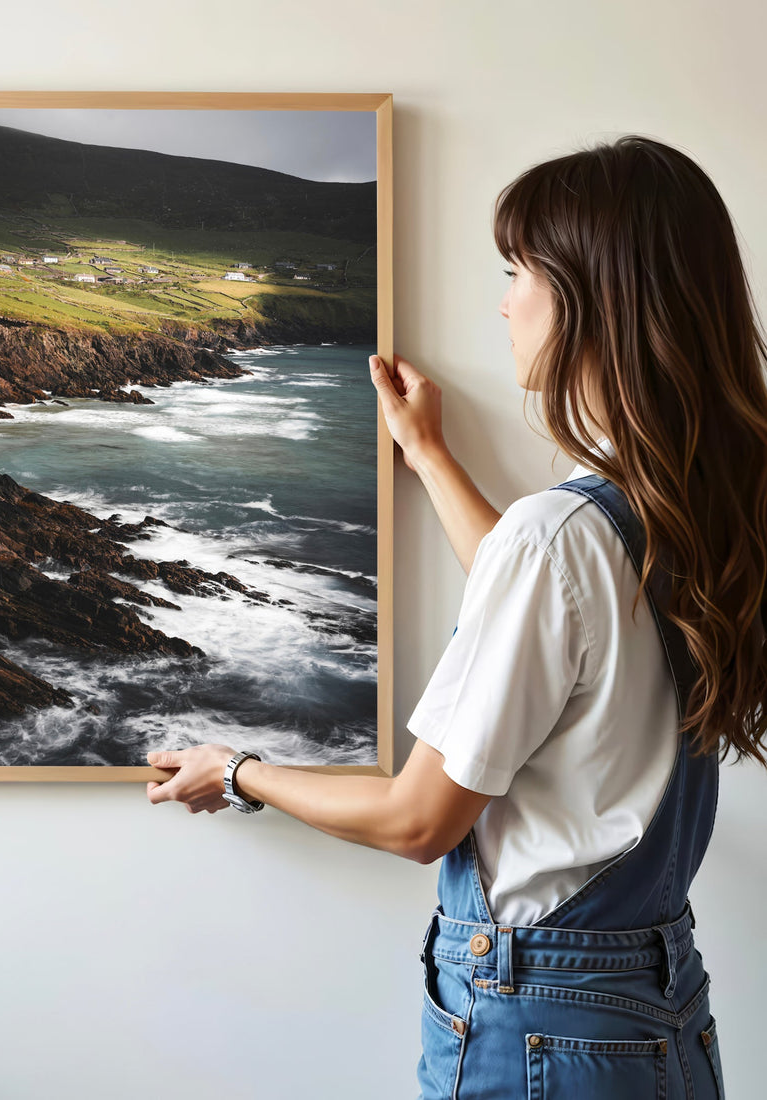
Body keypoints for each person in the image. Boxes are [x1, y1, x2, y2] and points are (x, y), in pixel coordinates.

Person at [144, 134, 767, 1098]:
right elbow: (557, 625)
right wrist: (431, 456)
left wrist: (236, 771)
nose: (505, 300)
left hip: (541, 1027)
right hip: (655, 1012)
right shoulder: (688, 508)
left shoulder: (562, 535)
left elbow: (417, 819)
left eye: (519, 271)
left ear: (592, 299)